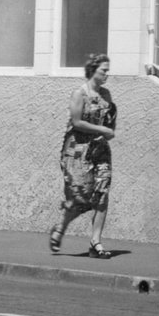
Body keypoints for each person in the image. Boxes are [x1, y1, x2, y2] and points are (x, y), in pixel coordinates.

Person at [49, 52, 117, 259]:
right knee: (81, 196)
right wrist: (101, 129)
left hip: (99, 149)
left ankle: (95, 242)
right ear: (93, 70)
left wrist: (109, 130)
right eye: (103, 71)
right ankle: (61, 226)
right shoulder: (79, 94)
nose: (106, 74)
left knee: (102, 192)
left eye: (108, 71)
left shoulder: (106, 95)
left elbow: (109, 121)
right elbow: (77, 122)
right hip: (77, 150)